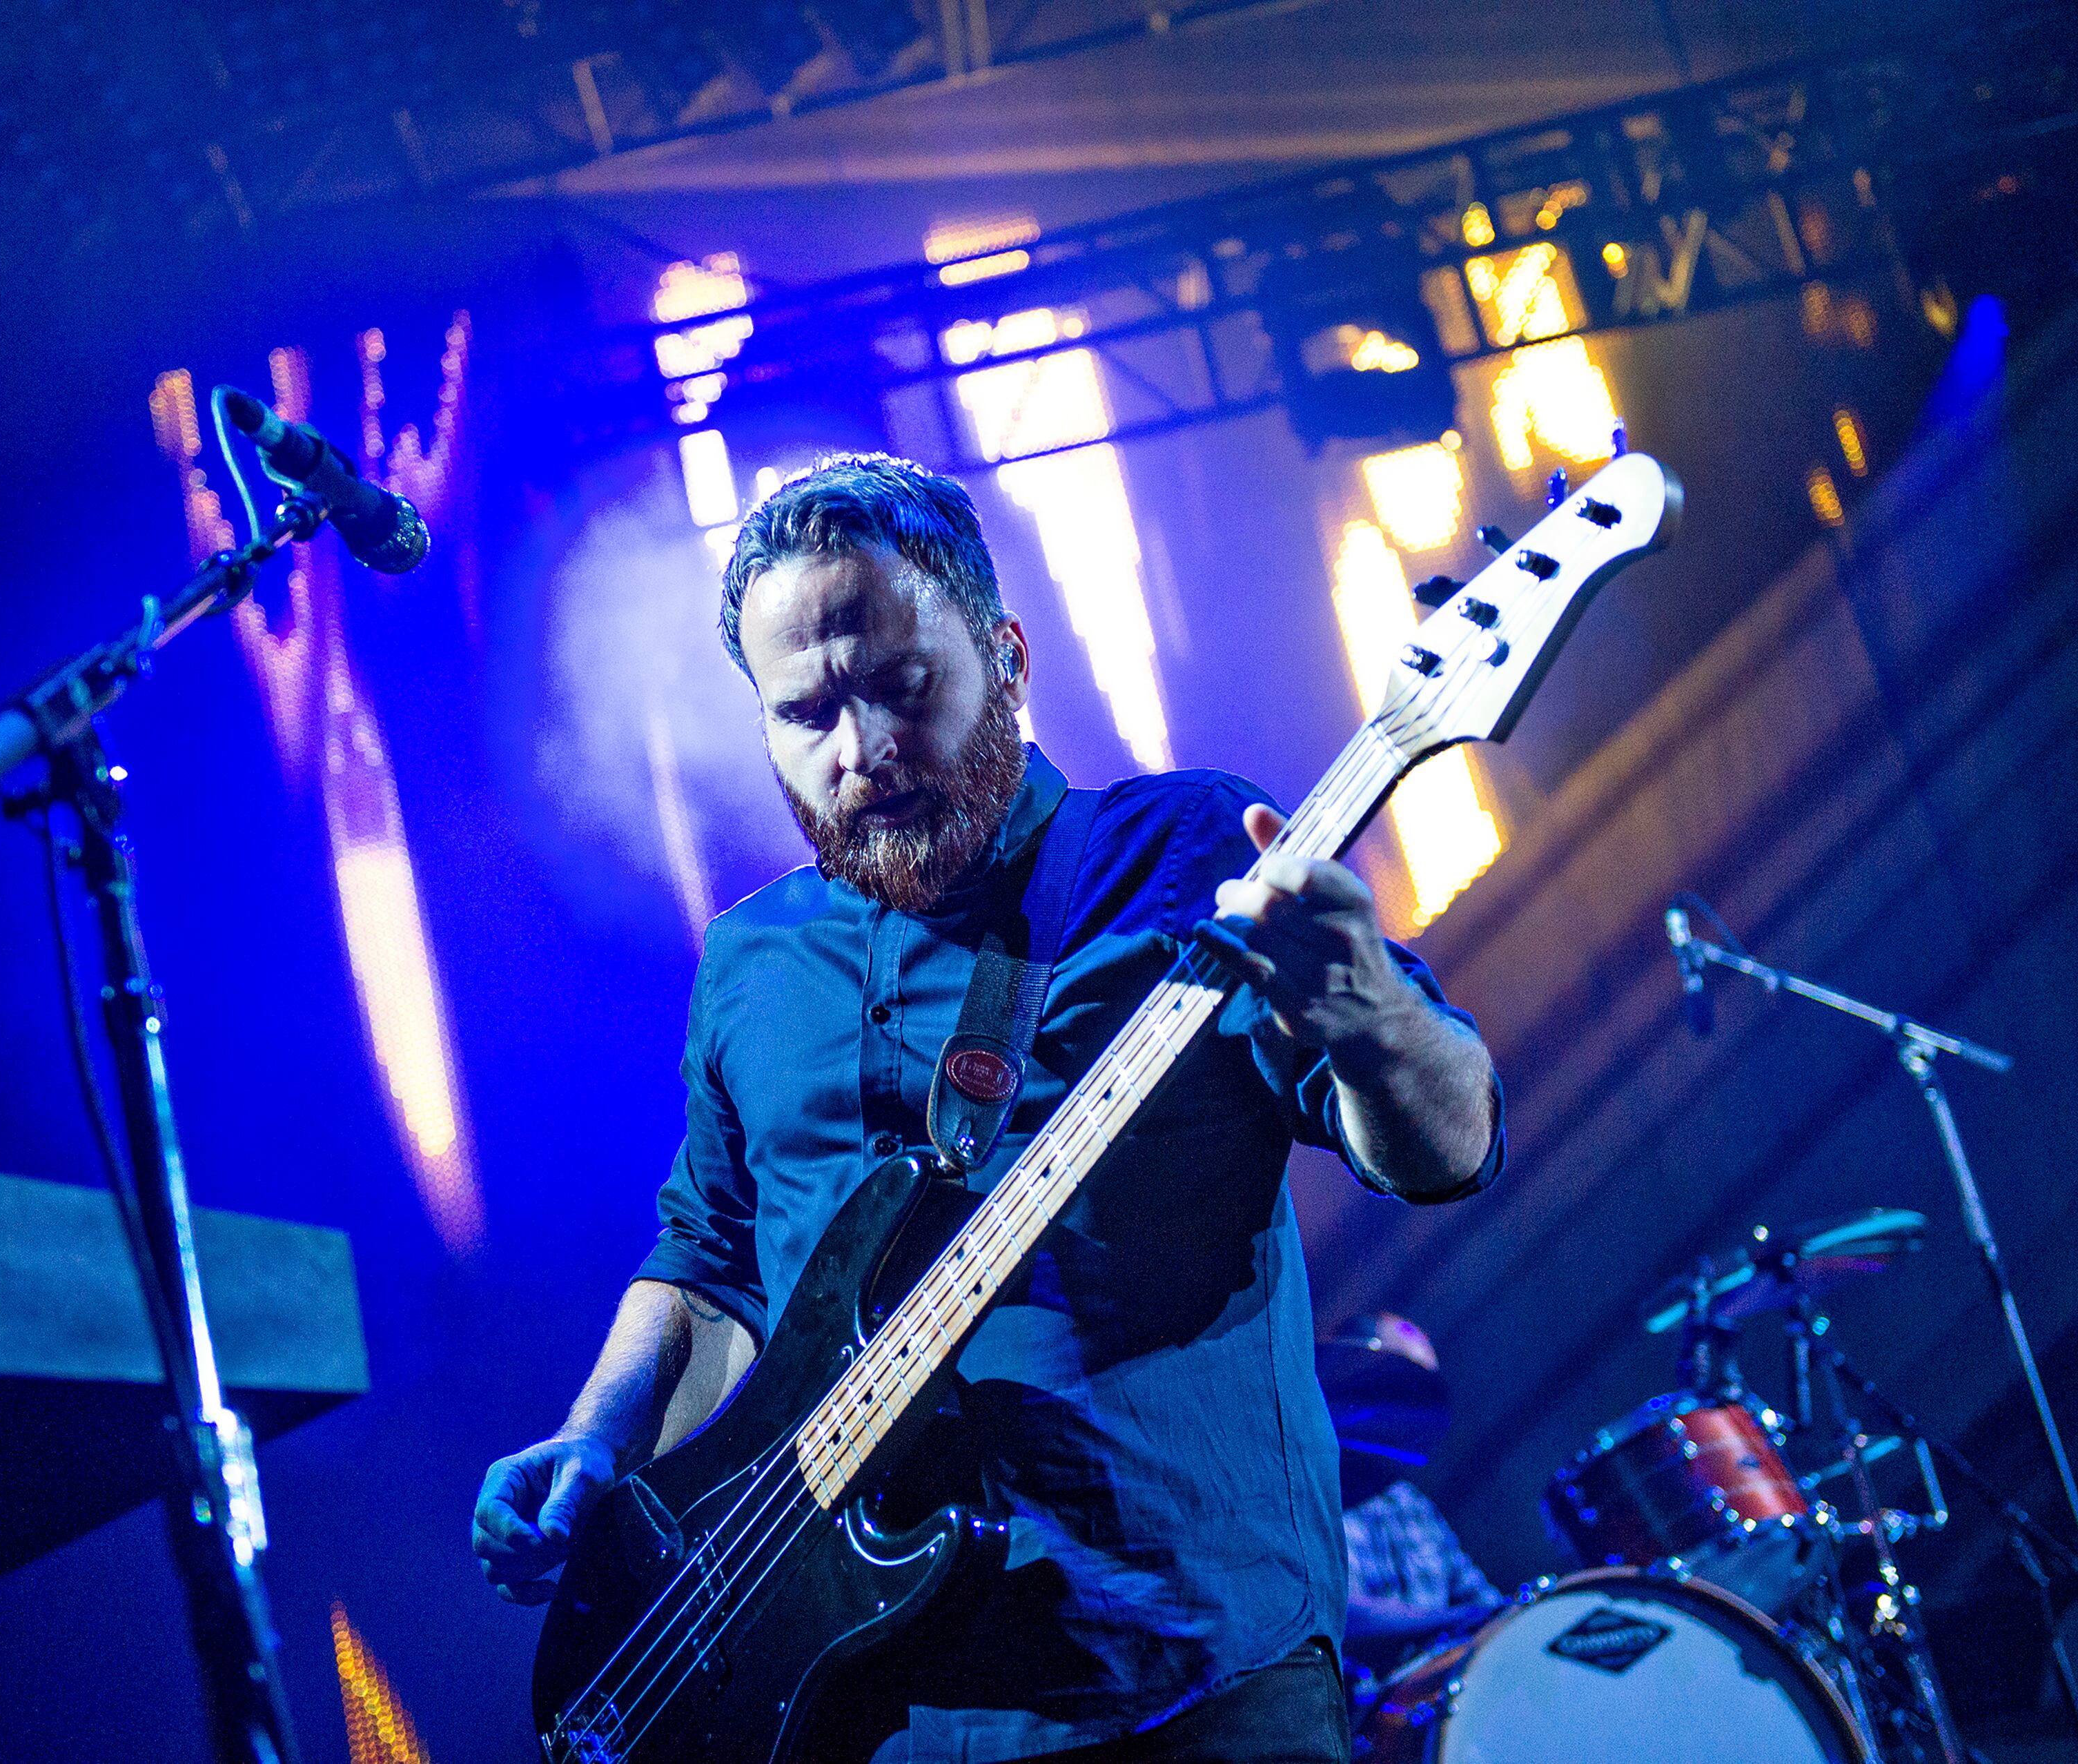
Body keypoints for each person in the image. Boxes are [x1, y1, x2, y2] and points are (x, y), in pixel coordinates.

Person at [473, 454, 1503, 1763]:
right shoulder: (750, 961)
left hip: (1187, 1681)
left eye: (904, 689)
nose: (863, 755)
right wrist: (596, 1434)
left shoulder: (1185, 849)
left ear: (1006, 657)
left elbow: (1451, 1147)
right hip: (859, 1720)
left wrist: (1372, 1017)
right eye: (806, 715)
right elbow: (711, 1257)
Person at [1329, 1315, 1504, 1685]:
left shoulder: (1409, 1503)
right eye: (1403, 1383)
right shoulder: (1308, 1492)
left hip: (1440, 1700)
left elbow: (1479, 1600)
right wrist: (1449, 1622)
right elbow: (1334, 1609)